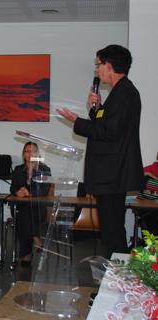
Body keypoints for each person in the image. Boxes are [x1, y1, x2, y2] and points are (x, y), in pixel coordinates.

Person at [57, 44, 144, 257]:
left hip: (112, 175)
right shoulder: (119, 93)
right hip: (109, 175)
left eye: (99, 65)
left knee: (113, 233)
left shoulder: (125, 92)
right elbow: (106, 127)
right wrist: (96, 109)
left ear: (110, 65)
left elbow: (109, 132)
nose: (97, 70)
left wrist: (77, 121)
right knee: (110, 232)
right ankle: (115, 284)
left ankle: (118, 286)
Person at [10, 142, 51, 265]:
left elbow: (44, 190)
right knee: (23, 212)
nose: (30, 154)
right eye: (27, 151)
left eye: (33, 151)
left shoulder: (45, 170)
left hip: (38, 208)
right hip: (20, 206)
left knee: (24, 215)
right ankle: (35, 237)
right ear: (23, 154)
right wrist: (18, 192)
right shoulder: (18, 170)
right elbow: (12, 189)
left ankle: (25, 255)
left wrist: (30, 193)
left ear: (37, 154)